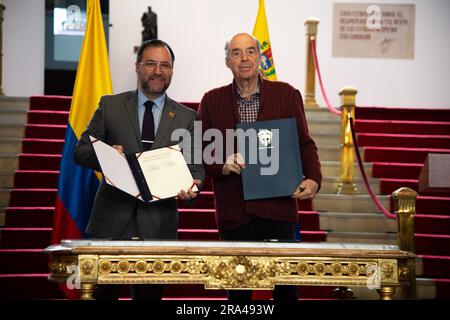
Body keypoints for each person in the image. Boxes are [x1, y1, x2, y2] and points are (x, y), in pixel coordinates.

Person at [73, 39, 204, 300]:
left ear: (172, 71)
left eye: (165, 65)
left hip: (159, 227)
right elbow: (81, 152)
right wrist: (108, 157)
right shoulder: (110, 106)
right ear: (137, 66)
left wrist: (193, 188)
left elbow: (196, 169)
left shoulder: (188, 117)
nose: (158, 71)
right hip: (110, 223)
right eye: (151, 64)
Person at [198, 33, 322, 302]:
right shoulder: (211, 101)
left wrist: (313, 178)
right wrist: (221, 165)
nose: (244, 58)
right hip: (233, 211)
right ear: (227, 62)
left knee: (285, 291)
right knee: (239, 294)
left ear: (260, 57)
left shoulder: (287, 94)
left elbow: (305, 143)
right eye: (236, 53)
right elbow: (199, 154)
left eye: (251, 51)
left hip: (278, 208)